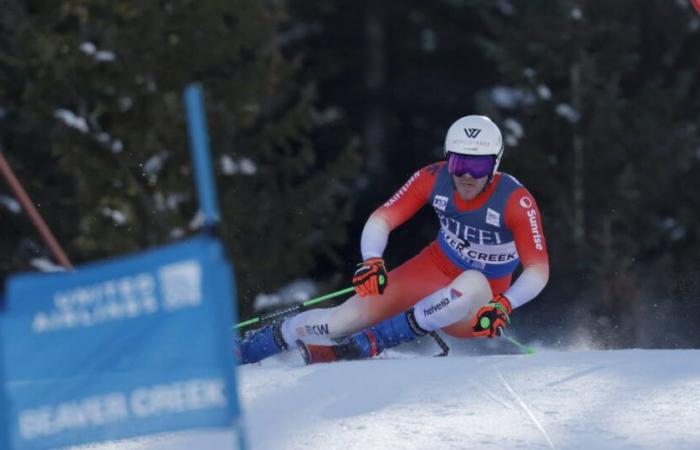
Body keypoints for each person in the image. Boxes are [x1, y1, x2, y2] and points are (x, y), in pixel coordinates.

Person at [238, 115, 549, 364]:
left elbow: (538, 270)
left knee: (468, 283)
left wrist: (505, 304)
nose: (466, 175)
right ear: (447, 159)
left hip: (480, 302)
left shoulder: (515, 201)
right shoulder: (432, 177)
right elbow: (382, 218)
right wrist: (372, 260)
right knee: (342, 319)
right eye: (458, 163)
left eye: (477, 165)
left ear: (494, 164)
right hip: (431, 270)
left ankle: (373, 342)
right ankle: (249, 349)